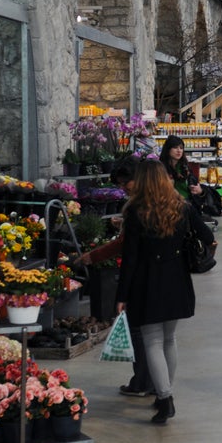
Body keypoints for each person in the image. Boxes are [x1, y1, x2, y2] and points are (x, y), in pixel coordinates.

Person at [114, 160, 214, 424]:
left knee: (153, 341)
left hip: (147, 282)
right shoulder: (182, 206)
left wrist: (122, 295)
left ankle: (165, 398)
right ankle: (163, 394)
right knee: (169, 339)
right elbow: (207, 234)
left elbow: (131, 259)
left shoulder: (136, 212)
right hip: (178, 279)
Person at [76, 158, 152, 398]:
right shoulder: (156, 201)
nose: (124, 188)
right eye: (120, 184)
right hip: (159, 275)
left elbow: (125, 248)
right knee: (159, 338)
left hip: (142, 276)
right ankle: (157, 385)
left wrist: (93, 256)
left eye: (125, 182)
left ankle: (142, 382)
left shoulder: (139, 206)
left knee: (140, 333)